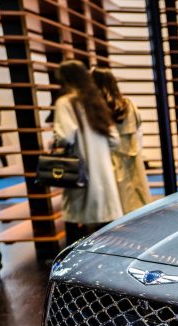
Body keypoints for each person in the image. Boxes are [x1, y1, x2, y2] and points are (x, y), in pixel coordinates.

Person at [53, 60, 122, 246]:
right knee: (106, 228)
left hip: (80, 171)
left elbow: (66, 136)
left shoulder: (65, 103)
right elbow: (115, 140)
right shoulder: (96, 102)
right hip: (103, 174)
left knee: (75, 219)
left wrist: (54, 139)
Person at [91, 68, 151, 213]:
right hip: (132, 158)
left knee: (115, 208)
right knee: (137, 203)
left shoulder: (96, 109)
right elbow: (138, 130)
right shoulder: (129, 105)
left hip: (109, 162)